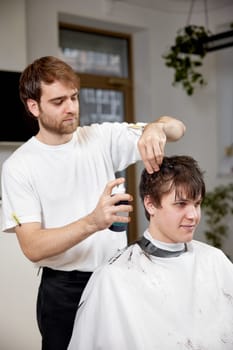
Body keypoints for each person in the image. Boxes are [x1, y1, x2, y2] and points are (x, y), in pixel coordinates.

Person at [1, 56, 185, 350]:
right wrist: (93, 222)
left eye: (74, 97)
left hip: (116, 278)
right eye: (59, 101)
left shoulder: (101, 138)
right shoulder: (19, 167)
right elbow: (32, 247)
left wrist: (156, 128)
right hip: (63, 291)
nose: (71, 107)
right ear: (33, 106)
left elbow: (177, 128)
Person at [68, 155, 233, 350]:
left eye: (196, 204)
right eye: (181, 204)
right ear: (150, 204)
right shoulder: (114, 277)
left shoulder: (215, 261)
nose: (193, 215)